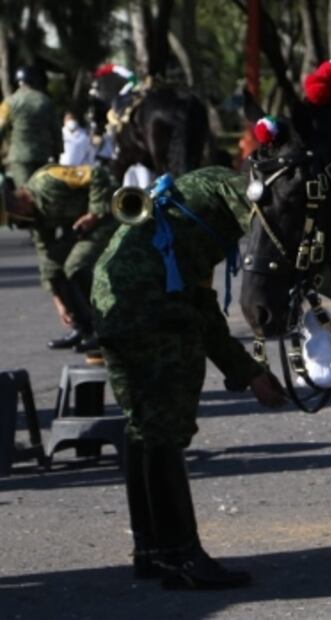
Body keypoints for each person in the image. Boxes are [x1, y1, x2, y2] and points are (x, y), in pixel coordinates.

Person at [90, 167, 286, 590]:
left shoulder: (191, 196)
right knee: (165, 430)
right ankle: (184, 555)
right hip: (152, 305)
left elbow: (201, 303)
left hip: (112, 300)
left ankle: (152, 551)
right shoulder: (230, 193)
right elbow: (267, 233)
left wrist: (249, 372)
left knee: (143, 427)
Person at [1, 163, 118, 353]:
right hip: (80, 230)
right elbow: (45, 256)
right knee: (53, 267)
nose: (19, 224)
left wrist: (93, 214)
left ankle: (105, 327)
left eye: (15, 220)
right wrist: (59, 301)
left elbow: (96, 174)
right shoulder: (34, 216)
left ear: (18, 203)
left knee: (75, 264)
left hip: (106, 217)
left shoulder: (48, 180)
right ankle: (83, 328)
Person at [0, 67, 62, 187]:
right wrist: (57, 153)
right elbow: (56, 130)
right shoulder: (46, 101)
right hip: (42, 155)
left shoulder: (10, 102)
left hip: (19, 157)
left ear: (18, 81)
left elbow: (1, 127)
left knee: (24, 194)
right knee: (40, 191)